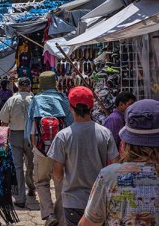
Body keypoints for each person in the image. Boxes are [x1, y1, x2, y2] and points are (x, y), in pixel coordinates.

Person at [48, 86, 119, 226]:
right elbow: (116, 166)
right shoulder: (105, 133)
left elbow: (57, 173)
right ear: (92, 107)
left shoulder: (63, 136)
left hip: (73, 201)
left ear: (70, 108)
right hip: (100, 200)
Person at [25, 71, 73, 226]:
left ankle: (49, 214)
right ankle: (61, 218)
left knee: (41, 182)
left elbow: (29, 127)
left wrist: (33, 146)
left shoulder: (35, 100)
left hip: (40, 149)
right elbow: (71, 123)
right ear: (55, 83)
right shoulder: (63, 99)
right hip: (62, 149)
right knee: (60, 182)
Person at [0, 76, 35, 208]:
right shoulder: (34, 100)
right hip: (32, 136)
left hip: (15, 136)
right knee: (32, 165)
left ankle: (20, 198)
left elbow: (3, 122)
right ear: (29, 86)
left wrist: (4, 139)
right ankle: (32, 187)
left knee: (18, 167)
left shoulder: (12, 100)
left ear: (18, 86)